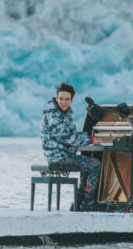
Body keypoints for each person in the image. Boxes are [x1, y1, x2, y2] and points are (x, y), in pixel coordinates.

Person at [40, 82, 101, 211]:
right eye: (61, 98)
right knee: (95, 164)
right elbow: (66, 137)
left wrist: (88, 138)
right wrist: (91, 139)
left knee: (88, 164)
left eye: (66, 99)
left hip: (63, 154)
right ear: (56, 98)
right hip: (58, 156)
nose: (63, 102)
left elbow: (71, 135)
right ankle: (88, 202)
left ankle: (78, 203)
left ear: (71, 100)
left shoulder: (63, 114)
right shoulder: (53, 115)